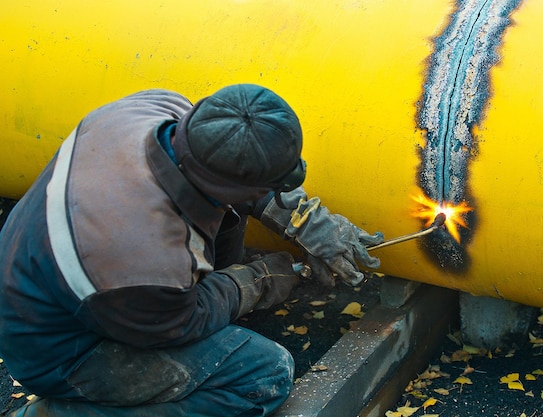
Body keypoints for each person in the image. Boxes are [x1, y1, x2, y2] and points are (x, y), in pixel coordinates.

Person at [0, 84, 383, 417]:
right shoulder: (142, 260)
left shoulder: (159, 109)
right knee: (263, 375)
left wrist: (307, 223)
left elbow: (232, 165)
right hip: (59, 348)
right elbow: (184, 321)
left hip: (63, 280)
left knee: (225, 222)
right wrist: (258, 282)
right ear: (230, 185)